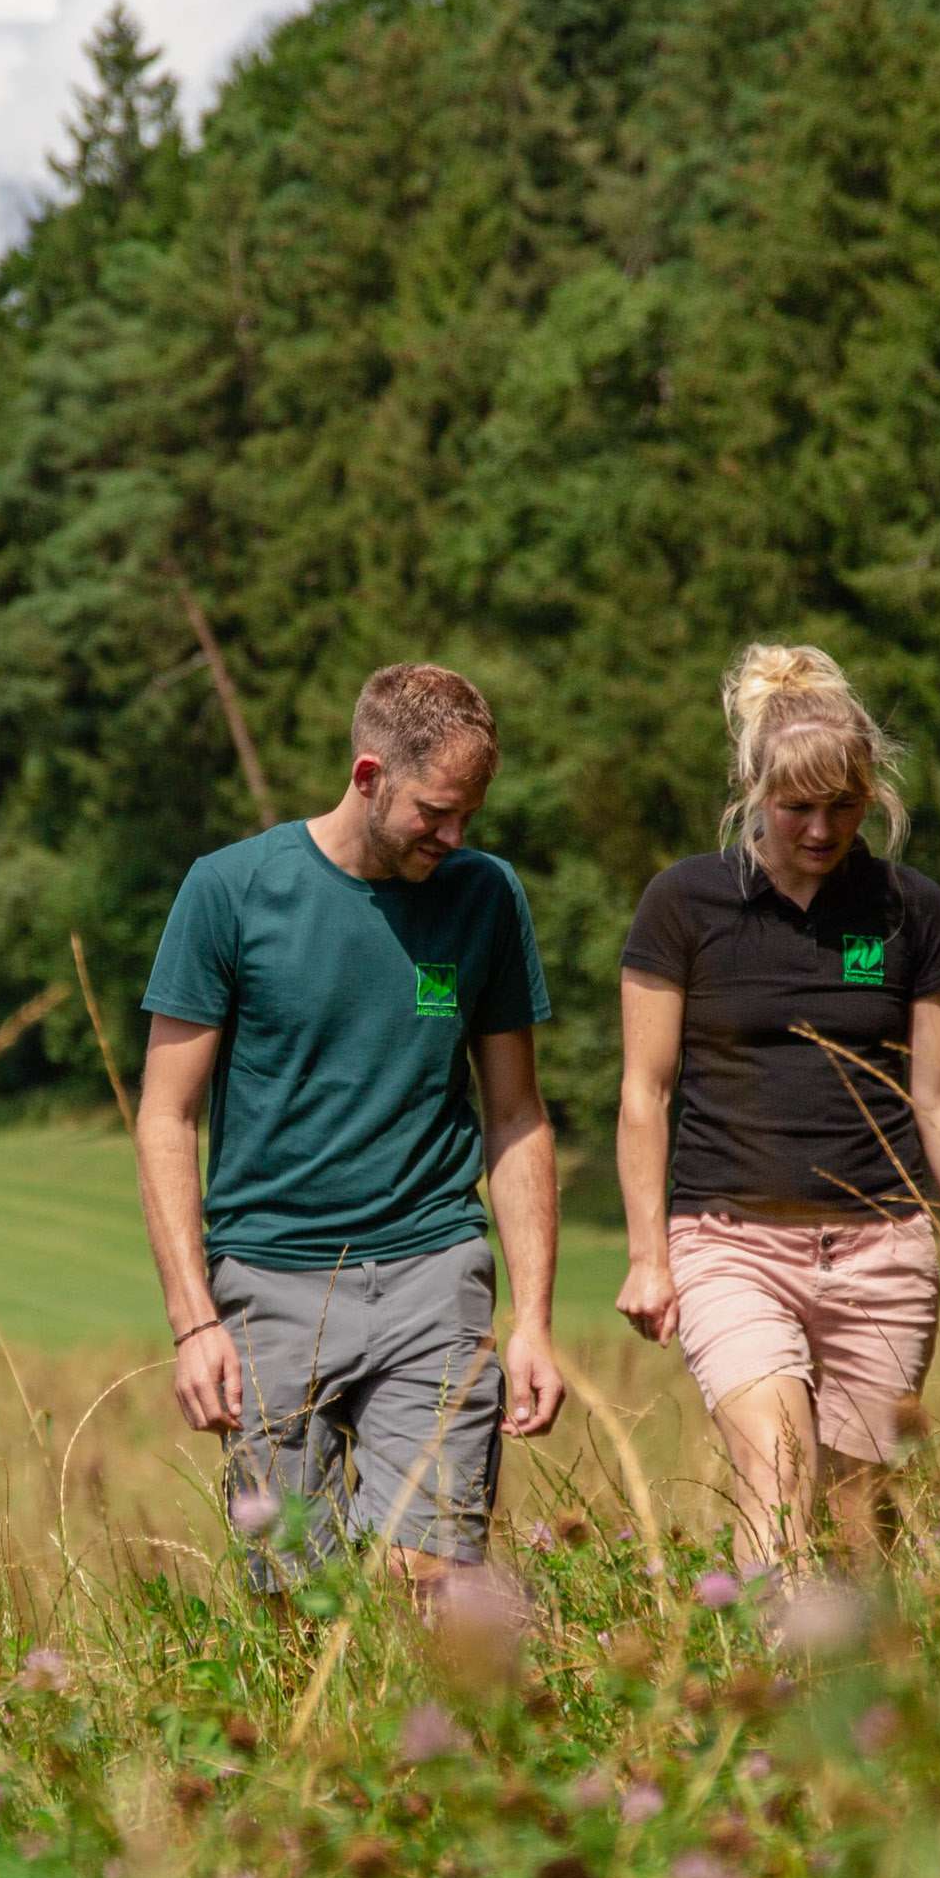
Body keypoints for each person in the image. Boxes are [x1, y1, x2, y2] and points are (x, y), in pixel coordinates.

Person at [135, 662, 565, 1614]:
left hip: (433, 1272)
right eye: (435, 813)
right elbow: (166, 1116)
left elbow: (516, 1115)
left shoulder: (487, 896)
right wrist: (195, 1320)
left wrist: (533, 1318)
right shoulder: (231, 890)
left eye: (470, 815)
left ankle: (444, 1715)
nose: (454, 838)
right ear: (369, 775)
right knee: (300, 1603)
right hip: (269, 1284)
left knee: (436, 1584)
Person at [613, 642, 940, 1577]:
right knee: (777, 1465)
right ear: (753, 792)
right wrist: (648, 1255)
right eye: (797, 806)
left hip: (883, 1253)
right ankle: (762, 1664)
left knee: (858, 1527)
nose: (820, 827)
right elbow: (646, 1091)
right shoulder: (683, 904)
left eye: (843, 805)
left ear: (871, 795)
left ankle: (846, 1665)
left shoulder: (908, 909)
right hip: (730, 1246)